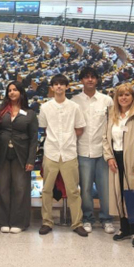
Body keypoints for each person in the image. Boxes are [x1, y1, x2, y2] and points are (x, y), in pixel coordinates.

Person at [38, 74, 88, 236]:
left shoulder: (74, 107)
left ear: (67, 87)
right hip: (51, 152)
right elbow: (44, 128)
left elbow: (80, 128)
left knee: (73, 191)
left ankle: (77, 223)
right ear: (52, 88)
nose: (59, 87)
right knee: (46, 190)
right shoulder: (45, 107)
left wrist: (67, 138)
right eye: (56, 84)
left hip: (69, 153)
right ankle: (47, 221)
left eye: (62, 84)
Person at [103, 83, 134, 247]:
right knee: (120, 195)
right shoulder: (112, 115)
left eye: (127, 94)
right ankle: (125, 228)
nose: (123, 98)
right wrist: (109, 157)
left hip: (133, 161)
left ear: (132, 97)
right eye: (120, 95)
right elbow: (105, 139)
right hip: (116, 158)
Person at [71, 67, 115, 234]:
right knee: (86, 188)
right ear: (81, 80)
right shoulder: (74, 101)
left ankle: (107, 218)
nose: (89, 80)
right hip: (82, 151)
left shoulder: (106, 101)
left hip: (103, 152)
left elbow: (112, 124)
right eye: (86, 77)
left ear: (97, 80)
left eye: (93, 77)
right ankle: (87, 218)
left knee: (105, 189)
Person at [0, 81, 38, 233]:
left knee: (20, 187)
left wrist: (31, 160)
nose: (12, 92)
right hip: (1, 153)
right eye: (9, 90)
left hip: (22, 155)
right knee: (2, 187)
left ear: (21, 92)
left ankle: (19, 222)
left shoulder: (30, 113)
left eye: (15, 90)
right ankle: (2, 221)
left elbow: (33, 138)